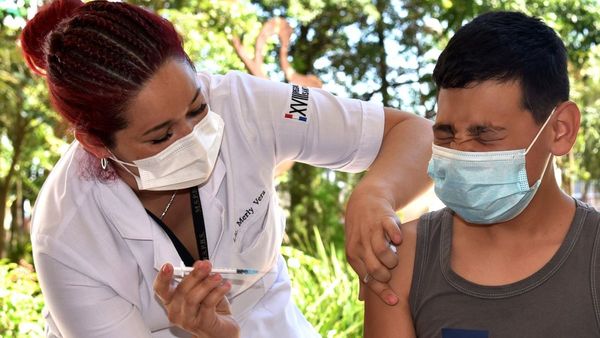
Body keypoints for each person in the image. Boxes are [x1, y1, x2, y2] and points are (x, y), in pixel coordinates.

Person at [21, 0, 433, 337]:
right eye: (162, 136)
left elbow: (416, 134)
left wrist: (375, 193)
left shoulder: (245, 104)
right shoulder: (66, 234)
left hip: (270, 320)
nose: (194, 137)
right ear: (96, 144)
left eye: (198, 109)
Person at [364, 11, 600, 337]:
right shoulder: (402, 260)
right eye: (446, 134)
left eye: (485, 135)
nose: (461, 153)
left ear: (560, 130)